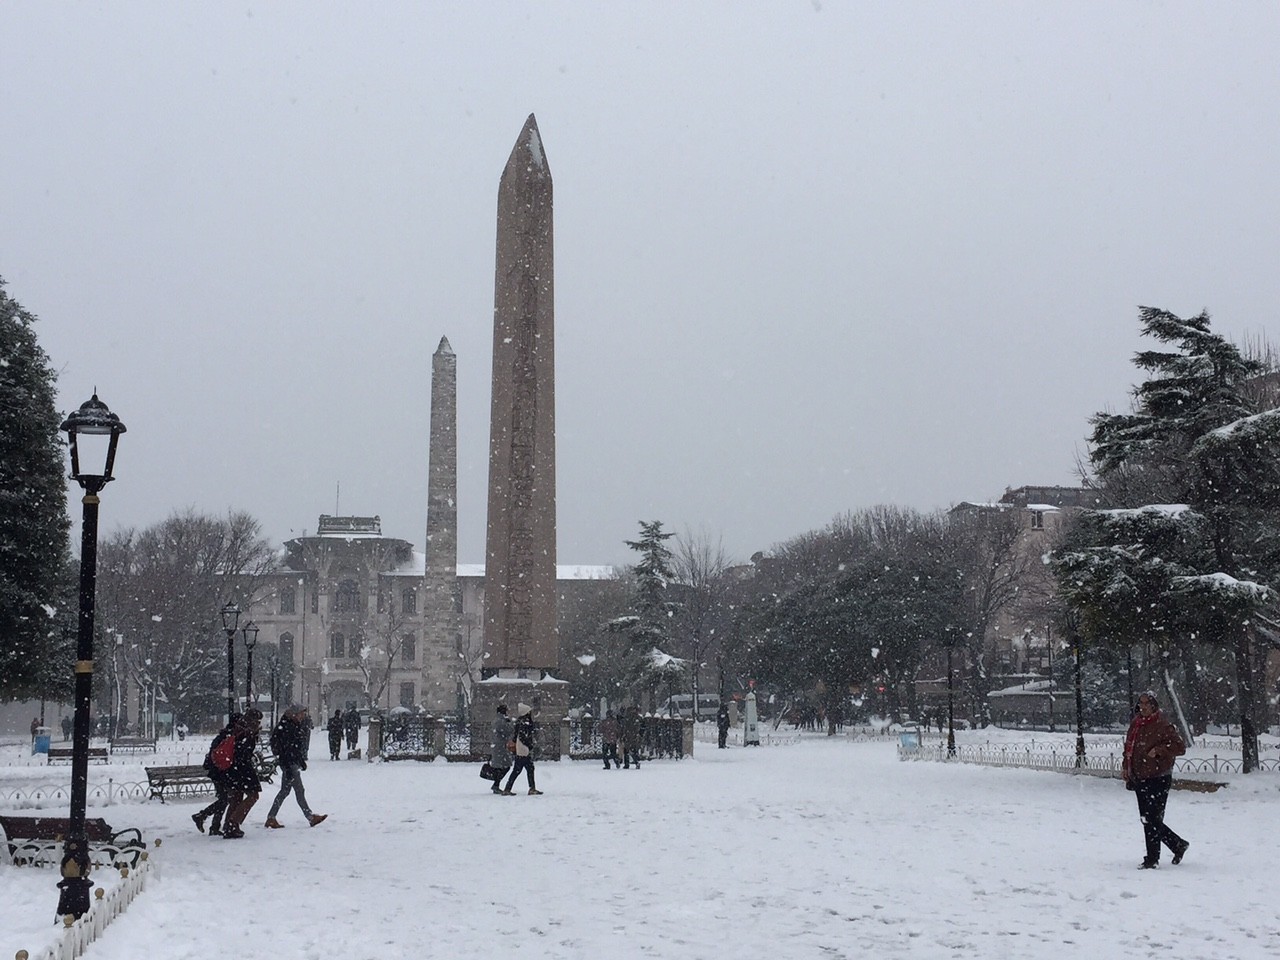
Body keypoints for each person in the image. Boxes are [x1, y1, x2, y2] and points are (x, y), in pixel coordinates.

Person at [1122, 691, 1189, 869]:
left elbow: (1179, 747)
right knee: (1148, 819)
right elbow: (1129, 748)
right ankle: (1177, 845)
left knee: (1152, 819)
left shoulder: (1162, 725)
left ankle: (1152, 859)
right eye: (1141, 703)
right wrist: (1126, 767)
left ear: (1153, 706)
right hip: (1140, 777)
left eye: (1147, 704)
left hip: (1158, 778)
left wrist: (1159, 750)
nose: (1143, 707)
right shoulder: (1135, 724)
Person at [265, 705, 327, 828]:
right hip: (289, 763)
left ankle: (271, 817)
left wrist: (300, 760)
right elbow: (288, 749)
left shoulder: (290, 725)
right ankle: (310, 817)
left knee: (285, 791)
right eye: (301, 714)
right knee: (299, 790)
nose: (303, 716)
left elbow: (293, 747)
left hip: (290, 762)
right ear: (295, 714)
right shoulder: (288, 727)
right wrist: (290, 766)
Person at [221, 708, 264, 839]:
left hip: (232, 767)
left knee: (236, 796)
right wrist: (253, 735)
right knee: (253, 795)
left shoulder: (237, 728)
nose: (259, 724)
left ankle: (228, 825)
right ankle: (233, 823)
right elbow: (244, 752)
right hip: (243, 768)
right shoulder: (247, 731)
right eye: (258, 721)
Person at [194, 716, 237, 836]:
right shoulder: (231, 737)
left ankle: (214, 826)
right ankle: (202, 816)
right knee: (225, 799)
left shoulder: (223, 735)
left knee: (223, 799)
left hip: (216, 771)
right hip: (222, 772)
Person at [501, 703, 542, 795]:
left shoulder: (520, 721)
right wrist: (529, 745)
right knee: (520, 770)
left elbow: (516, 735)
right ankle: (528, 788)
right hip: (523, 749)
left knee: (525, 769)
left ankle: (510, 788)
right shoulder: (525, 722)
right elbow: (524, 736)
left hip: (520, 748)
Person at [488, 704, 514, 794]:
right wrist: (510, 722)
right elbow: (509, 730)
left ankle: (496, 784)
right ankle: (496, 784)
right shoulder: (501, 721)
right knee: (505, 766)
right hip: (501, 747)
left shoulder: (497, 720)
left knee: (500, 767)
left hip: (498, 746)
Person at [619, 705, 642, 769]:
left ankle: (628, 763)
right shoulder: (636, 718)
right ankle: (635, 762)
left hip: (628, 736)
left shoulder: (628, 718)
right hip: (632, 736)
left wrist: (623, 735)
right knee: (632, 750)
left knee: (627, 751)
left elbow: (624, 727)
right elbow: (637, 727)